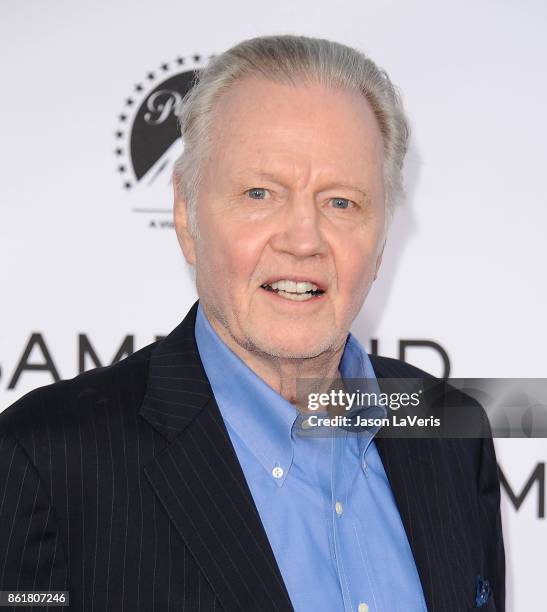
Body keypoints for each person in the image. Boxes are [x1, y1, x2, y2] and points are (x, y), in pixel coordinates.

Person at [0, 35, 504, 611]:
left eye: (341, 202)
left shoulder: (451, 433)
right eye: (260, 193)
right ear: (187, 216)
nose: (303, 240)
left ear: (383, 235)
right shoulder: (45, 461)